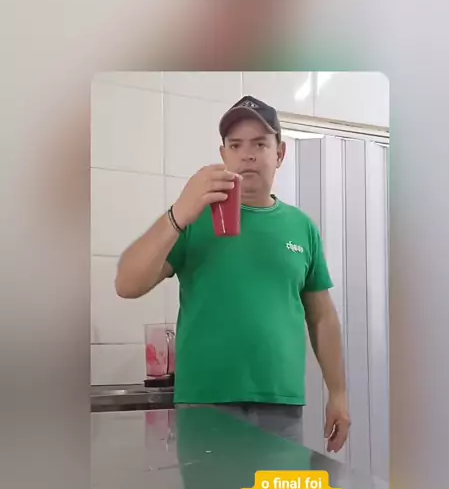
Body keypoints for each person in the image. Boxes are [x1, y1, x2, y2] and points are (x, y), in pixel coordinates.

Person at [115, 96, 351, 452]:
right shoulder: (192, 219)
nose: (247, 155)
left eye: (260, 144)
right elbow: (126, 284)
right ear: (223, 154)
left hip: (281, 406)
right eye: (236, 145)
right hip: (204, 404)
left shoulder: (302, 227)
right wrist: (179, 212)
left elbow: (323, 317)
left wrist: (339, 393)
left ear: (280, 153)